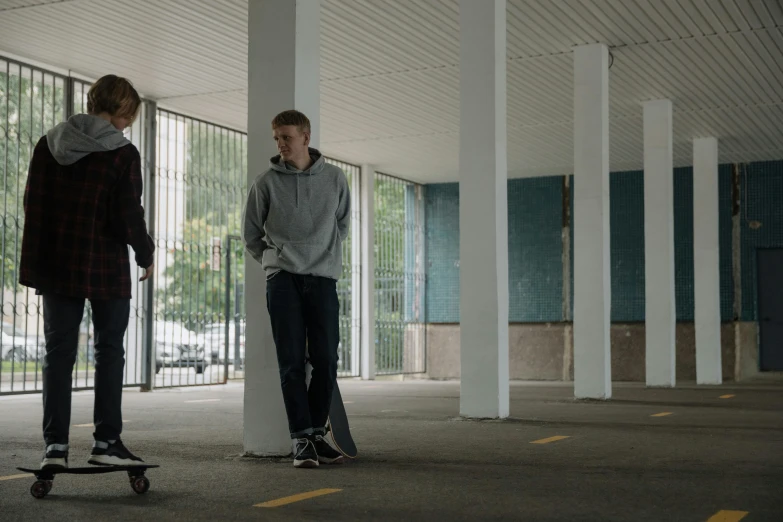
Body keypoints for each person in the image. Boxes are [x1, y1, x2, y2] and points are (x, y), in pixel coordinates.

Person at [19, 75, 155, 470]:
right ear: (122, 111)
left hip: (57, 265)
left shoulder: (50, 143)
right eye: (127, 116)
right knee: (109, 351)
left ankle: (55, 449)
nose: (127, 124)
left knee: (59, 354)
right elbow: (128, 212)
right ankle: (106, 443)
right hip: (105, 266)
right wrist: (145, 253)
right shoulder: (122, 151)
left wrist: (41, 261)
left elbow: (34, 205)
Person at [242, 109, 350, 468]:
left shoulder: (335, 179)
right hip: (283, 281)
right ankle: (301, 439)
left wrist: (323, 256)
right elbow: (251, 235)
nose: (280, 144)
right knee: (290, 363)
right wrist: (276, 264)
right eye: (276, 138)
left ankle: (317, 433)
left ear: (306, 136)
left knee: (326, 361)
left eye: (286, 136)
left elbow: (343, 225)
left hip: (322, 279)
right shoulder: (265, 183)